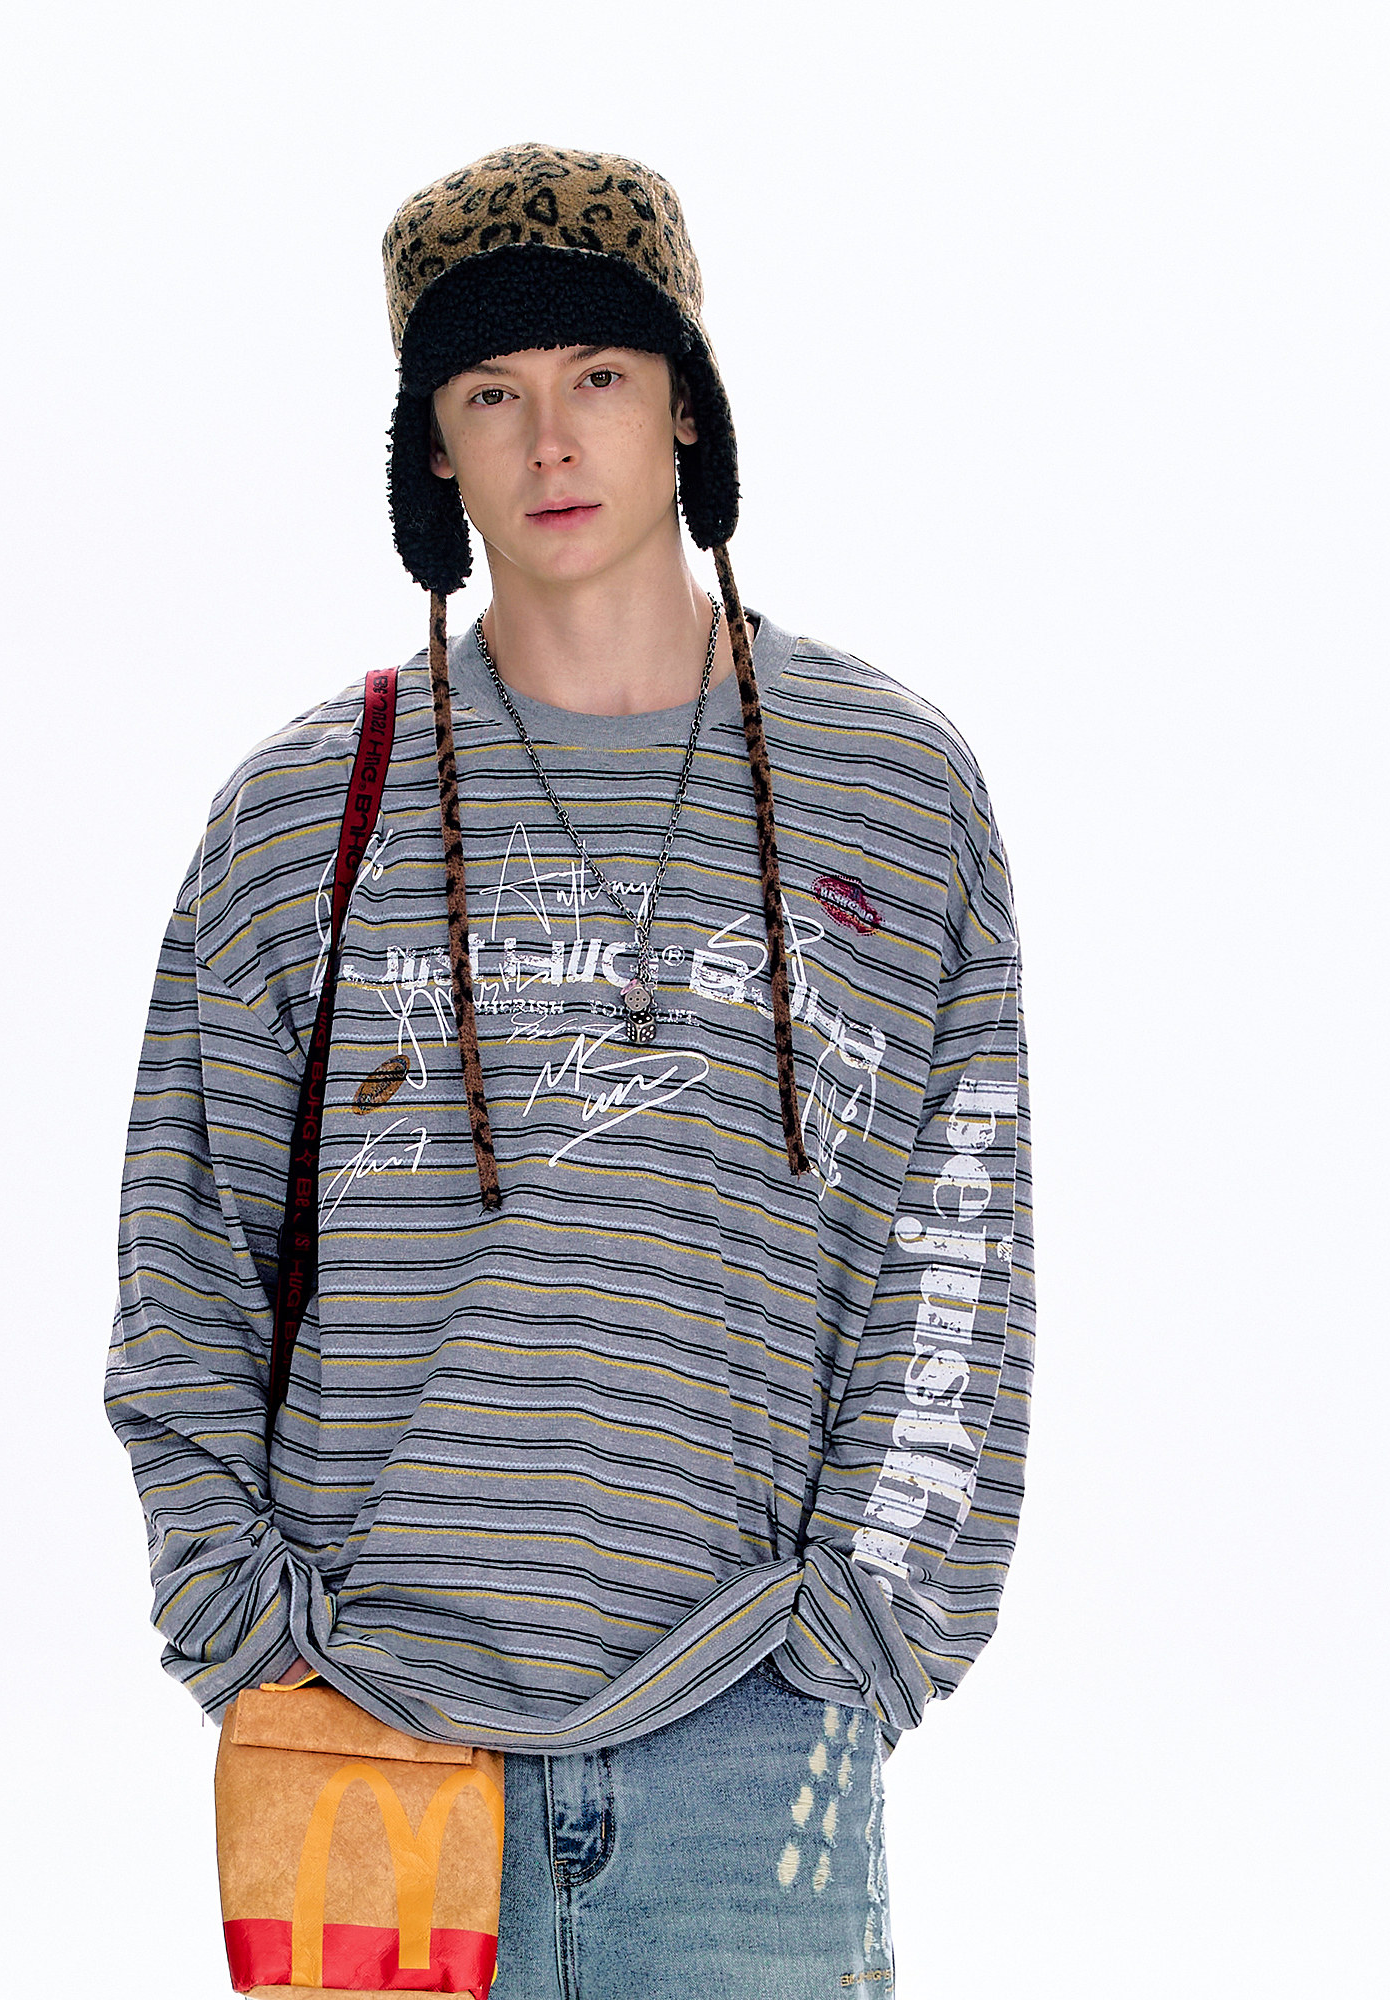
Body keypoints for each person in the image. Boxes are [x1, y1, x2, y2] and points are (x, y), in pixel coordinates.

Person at [106, 141, 1033, 1997]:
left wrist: (866, 1636)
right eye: (490, 392)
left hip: (754, 1731)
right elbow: (183, 1258)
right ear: (432, 453)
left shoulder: (894, 788)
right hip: (368, 1726)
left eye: (600, 375)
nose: (551, 441)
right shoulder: (300, 814)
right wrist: (246, 1631)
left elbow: (962, 1251)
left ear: (685, 409)